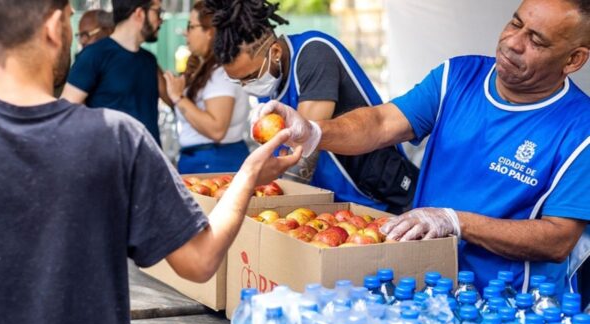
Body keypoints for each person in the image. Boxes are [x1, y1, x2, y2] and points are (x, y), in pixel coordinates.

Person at [0, 0, 301, 324]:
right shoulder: (116, 138)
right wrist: (249, 174)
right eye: (69, 20)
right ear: (53, 28)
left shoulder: (125, 118)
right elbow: (200, 260)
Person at [253, 0, 590, 296]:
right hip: (426, 287)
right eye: (515, 23)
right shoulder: (458, 76)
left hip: (512, 307)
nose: (512, 43)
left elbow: (558, 240)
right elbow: (381, 123)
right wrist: (313, 131)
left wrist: (456, 221)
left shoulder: (581, 129)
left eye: (536, 40)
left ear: (574, 59)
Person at [205, 0, 419, 214]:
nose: (246, 86)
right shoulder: (271, 77)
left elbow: (304, 150)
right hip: (332, 204)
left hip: (376, 196)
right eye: (238, 82)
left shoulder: (314, 54)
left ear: (276, 52)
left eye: (250, 77)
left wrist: (249, 189)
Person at [61, 0, 172, 146]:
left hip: (150, 162)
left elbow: (175, 102)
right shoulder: (94, 56)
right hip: (110, 164)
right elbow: (66, 112)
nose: (161, 19)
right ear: (139, 14)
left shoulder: (149, 61)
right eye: (157, 12)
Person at [163, 1, 250, 174]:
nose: (186, 33)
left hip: (216, 164)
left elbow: (217, 130)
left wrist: (178, 97)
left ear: (209, 32)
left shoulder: (221, 73)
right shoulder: (207, 69)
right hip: (204, 162)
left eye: (191, 26)